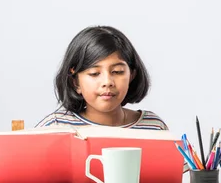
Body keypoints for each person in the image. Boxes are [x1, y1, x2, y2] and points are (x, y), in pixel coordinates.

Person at [35, 25, 168, 130]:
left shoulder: (154, 127)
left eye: (117, 71)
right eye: (94, 73)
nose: (107, 82)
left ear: (132, 75)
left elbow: (181, 165)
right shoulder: (56, 126)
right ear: (75, 81)